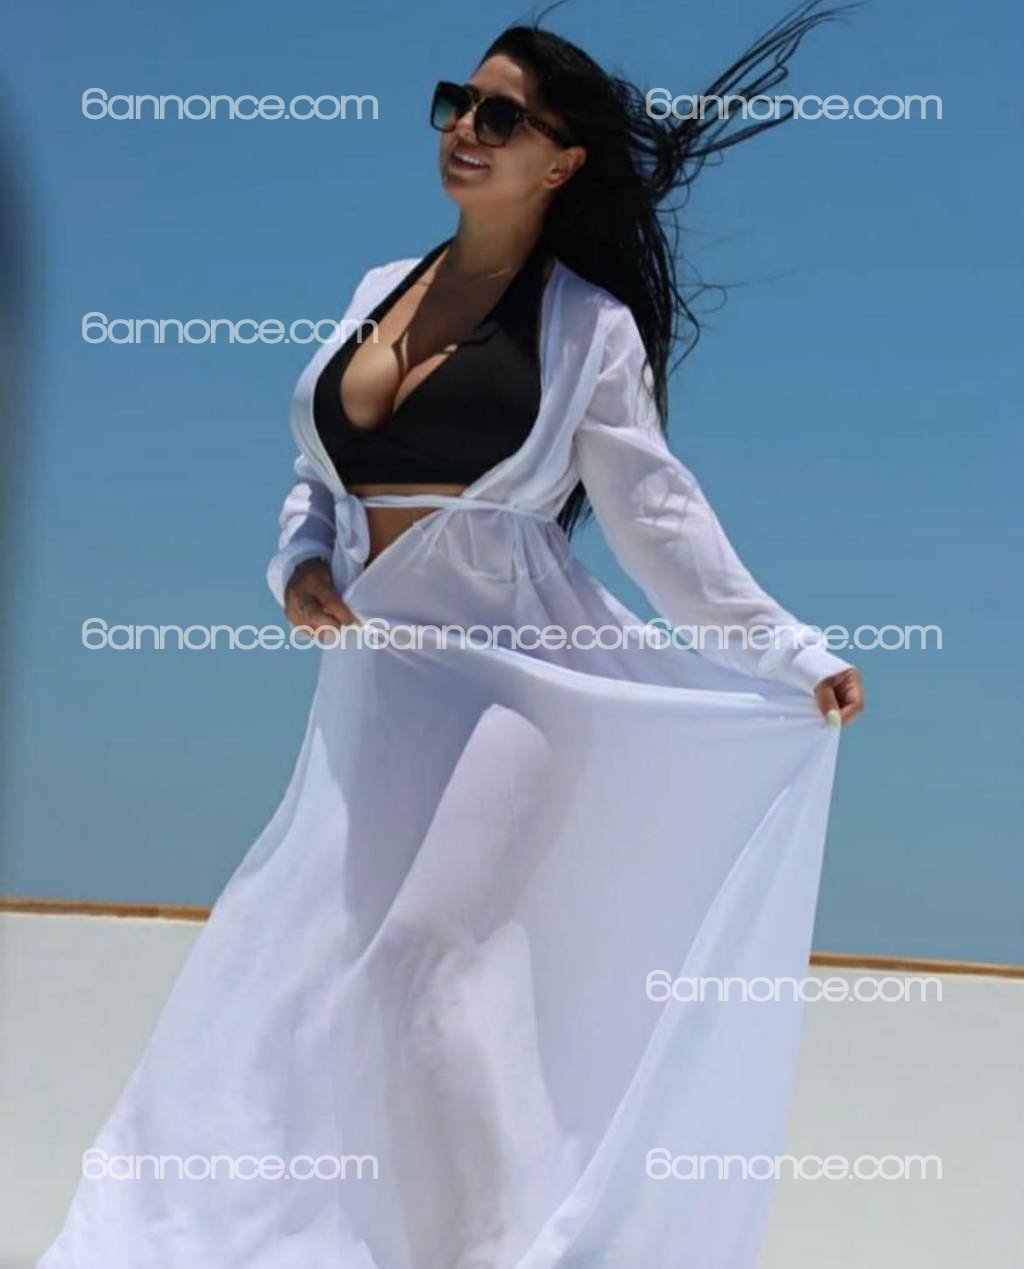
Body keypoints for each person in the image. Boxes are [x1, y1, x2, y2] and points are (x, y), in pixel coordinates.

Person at [38, 6, 865, 1268]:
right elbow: (321, 476)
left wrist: (788, 649)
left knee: (431, 952)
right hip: (377, 678)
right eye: (456, 105)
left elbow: (655, 520)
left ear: (562, 160)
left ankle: (508, 1253)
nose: (464, 129)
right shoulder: (381, 288)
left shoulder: (587, 325)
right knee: (303, 968)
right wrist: (299, 566)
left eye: (500, 116)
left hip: (514, 675)